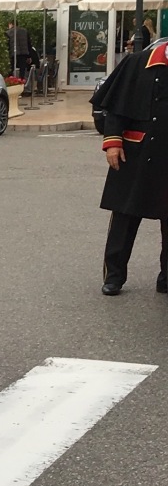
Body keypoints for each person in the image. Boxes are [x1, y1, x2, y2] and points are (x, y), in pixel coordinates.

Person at [90, 38, 168, 296]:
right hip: (135, 153)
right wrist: (112, 142)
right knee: (124, 217)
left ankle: (166, 278)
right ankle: (114, 276)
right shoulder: (136, 63)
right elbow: (114, 108)